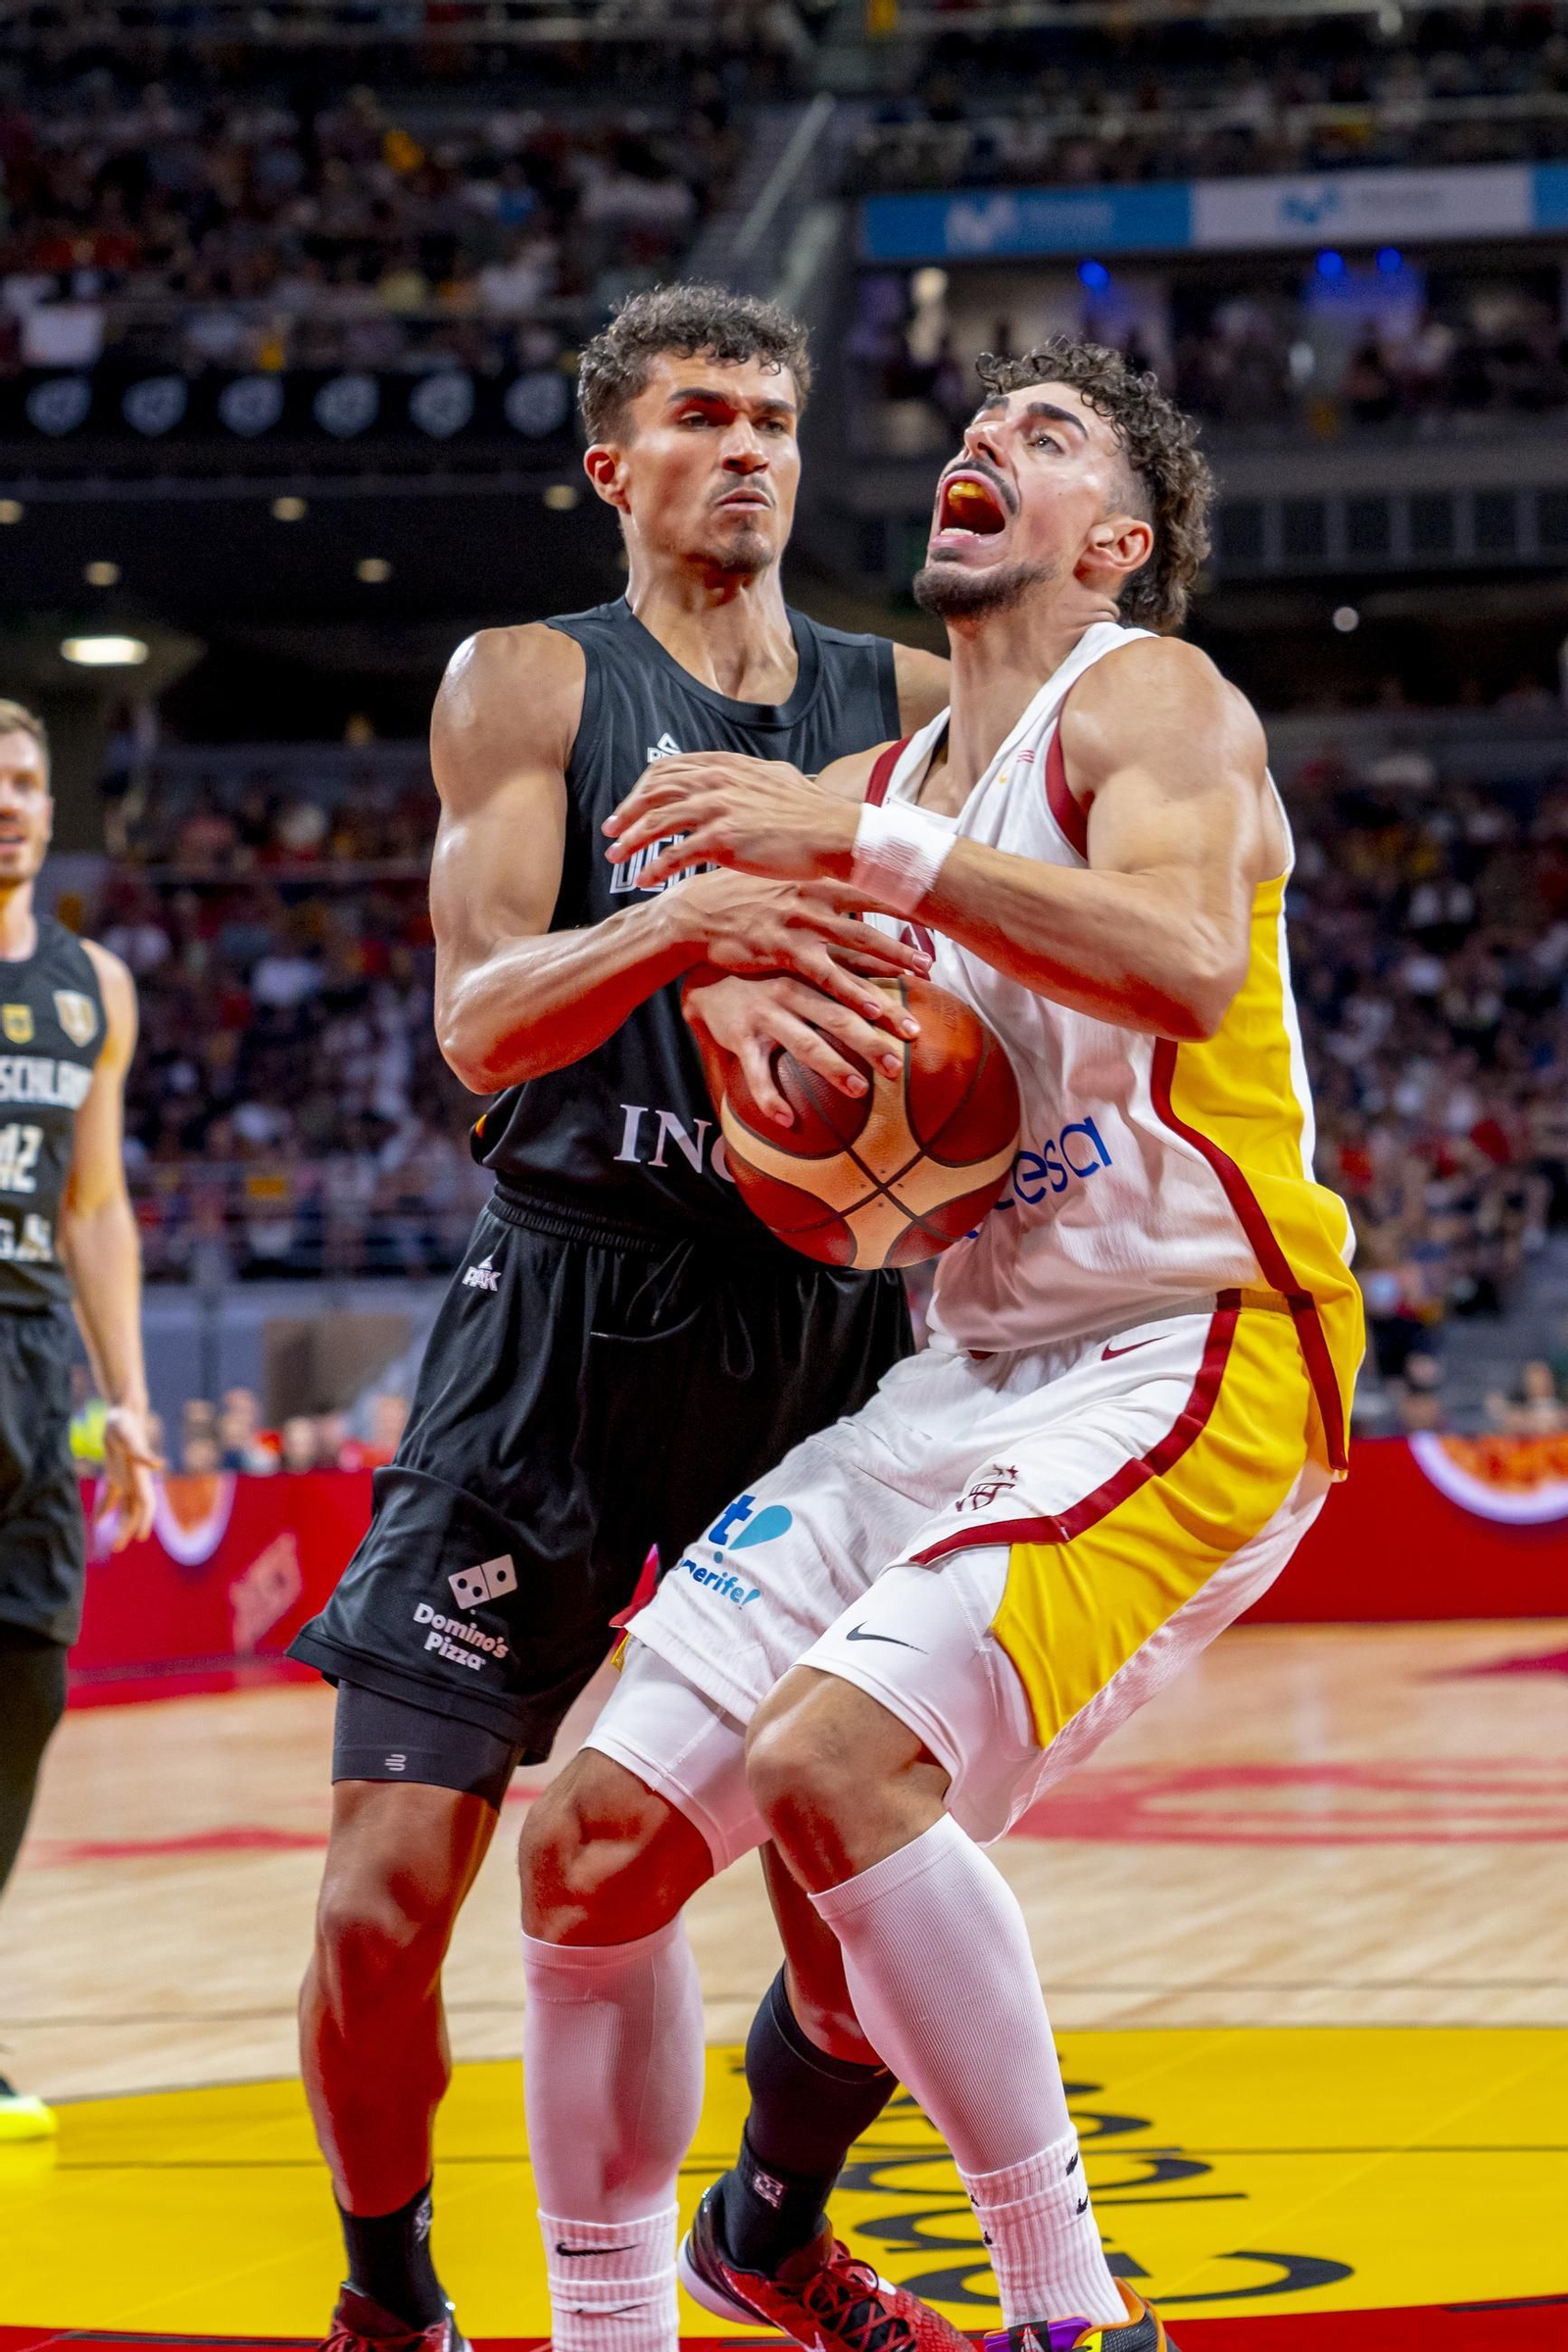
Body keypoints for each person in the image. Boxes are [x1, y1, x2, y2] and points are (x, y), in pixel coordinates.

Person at [577, 336, 1364, 2352]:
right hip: (959, 1363)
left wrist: (864, 859)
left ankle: (1067, 2311)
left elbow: (1187, 965)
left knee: (834, 1775)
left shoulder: (1151, 697)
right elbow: (693, 943)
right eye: (967, 429)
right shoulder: (874, 783)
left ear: (1110, 543)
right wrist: (731, 1008)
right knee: (600, 1829)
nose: (975, 448)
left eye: (1038, 438)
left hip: (1187, 1340)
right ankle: (747, 2237)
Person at [285, 285, 951, 2352]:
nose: (745, 445)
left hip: (822, 1335)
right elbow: (477, 1025)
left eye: (770, 415)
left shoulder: (913, 696)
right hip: (563, 1310)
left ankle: (766, 2222)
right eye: (697, 416)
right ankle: (388, 2289)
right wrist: (681, 918)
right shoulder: (530, 688)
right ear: (616, 468)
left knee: (853, 1884)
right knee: (387, 1899)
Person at [0, 698, 158, 2141]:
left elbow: (95, 1204)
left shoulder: (91, 984)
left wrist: (130, 1391)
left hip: (39, 1363)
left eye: (30, 780)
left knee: (28, 1689)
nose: (11, 802)